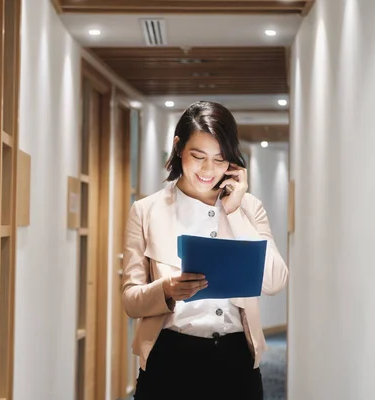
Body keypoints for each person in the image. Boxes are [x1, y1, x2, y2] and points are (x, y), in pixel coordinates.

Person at [122, 101, 288, 399]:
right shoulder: (145, 211)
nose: (208, 170)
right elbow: (131, 301)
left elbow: (275, 282)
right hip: (169, 356)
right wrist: (168, 290)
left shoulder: (250, 209)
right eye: (198, 156)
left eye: (220, 159)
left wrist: (235, 212)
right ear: (178, 148)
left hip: (236, 357)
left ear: (232, 163)